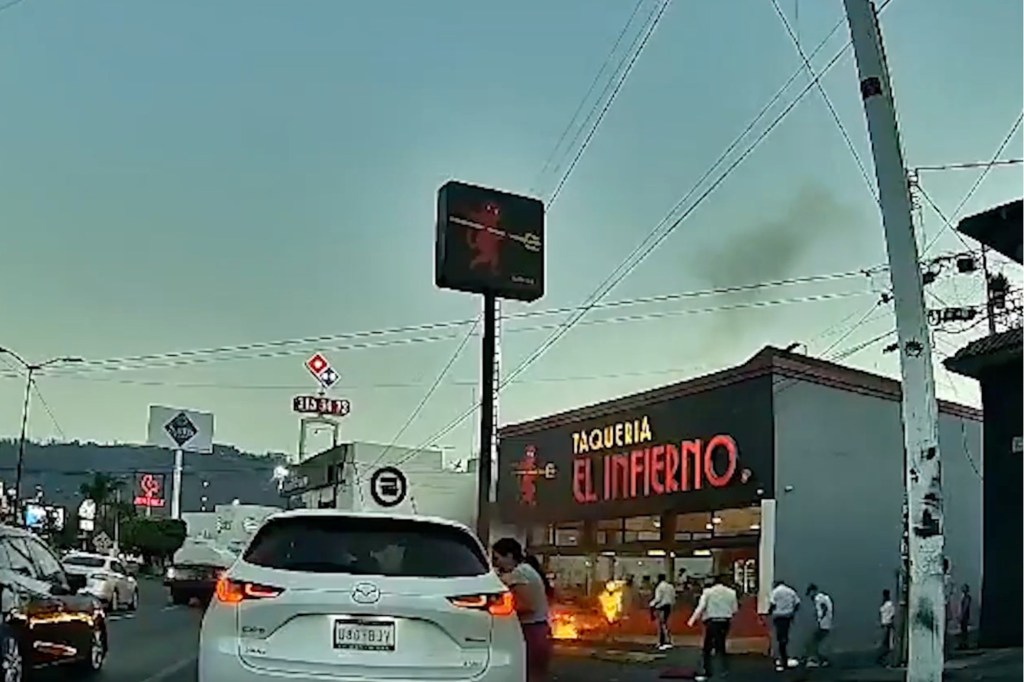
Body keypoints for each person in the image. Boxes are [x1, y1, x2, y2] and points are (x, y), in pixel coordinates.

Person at [492, 538, 552, 681]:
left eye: (497, 558)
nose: (495, 563)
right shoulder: (526, 570)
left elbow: (527, 605)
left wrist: (495, 608)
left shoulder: (521, 573)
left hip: (530, 632)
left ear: (509, 556)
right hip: (538, 631)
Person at [687, 574, 738, 681]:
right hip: (725, 621)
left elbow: (701, 607)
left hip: (712, 622)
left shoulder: (708, 592)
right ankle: (724, 670)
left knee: (707, 647)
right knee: (721, 645)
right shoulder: (731, 592)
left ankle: (707, 671)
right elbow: (734, 610)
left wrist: (692, 620)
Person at [768, 579, 800, 672]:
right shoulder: (791, 591)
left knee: (780, 638)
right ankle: (784, 658)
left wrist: (769, 612)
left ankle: (783, 660)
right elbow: (797, 603)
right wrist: (792, 612)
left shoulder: (775, 592)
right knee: (785, 634)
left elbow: (772, 604)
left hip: (779, 616)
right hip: (788, 616)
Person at [804, 584, 833, 667]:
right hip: (826, 624)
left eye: (810, 593)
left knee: (811, 643)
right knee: (814, 643)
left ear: (813, 591)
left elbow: (824, 608)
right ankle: (822, 660)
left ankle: (815, 660)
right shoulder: (824, 597)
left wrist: (820, 618)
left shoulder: (818, 598)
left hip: (823, 625)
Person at [649, 572, 676, 651]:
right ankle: (666, 641)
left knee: (661, 624)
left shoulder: (660, 587)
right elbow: (673, 597)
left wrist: (651, 604)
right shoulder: (670, 586)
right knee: (665, 623)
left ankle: (663, 642)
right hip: (669, 606)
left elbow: (658, 598)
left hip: (662, 607)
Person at [877, 589, 896, 667]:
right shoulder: (884, 604)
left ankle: (886, 660)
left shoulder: (889, 604)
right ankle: (884, 659)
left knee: (887, 644)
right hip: (884, 624)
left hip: (888, 625)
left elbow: (892, 614)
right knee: (885, 643)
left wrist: (889, 621)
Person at [957, 584, 972, 650]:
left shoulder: (967, 597)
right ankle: (962, 644)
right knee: (962, 630)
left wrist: (961, 615)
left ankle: (964, 644)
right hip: (963, 615)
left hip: (964, 616)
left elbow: (965, 607)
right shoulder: (963, 597)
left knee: (964, 631)